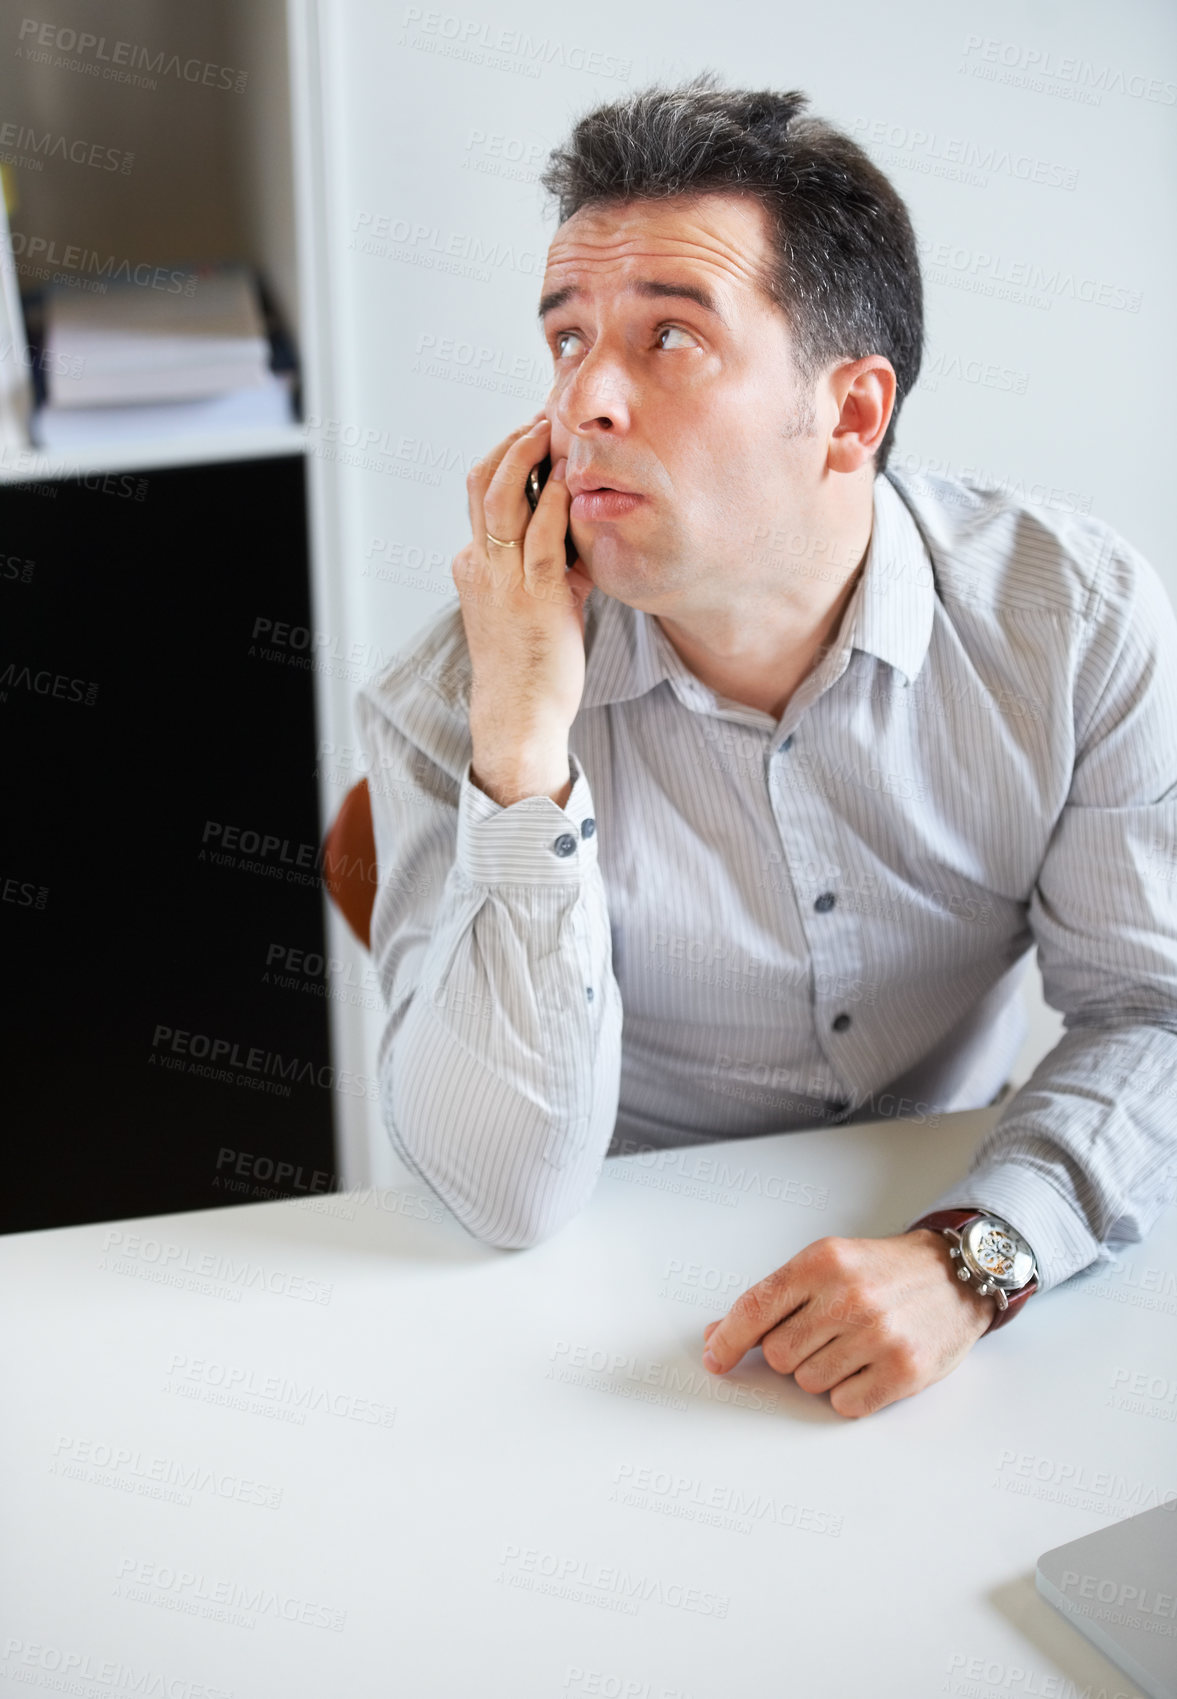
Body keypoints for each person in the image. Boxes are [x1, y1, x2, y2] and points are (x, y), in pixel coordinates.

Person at [355, 77, 1177, 1418]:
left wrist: (977, 1254)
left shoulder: (1073, 625)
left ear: (849, 414)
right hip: (598, 1323)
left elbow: (1155, 1010)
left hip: (955, 1248)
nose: (584, 403)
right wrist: (519, 756)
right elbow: (496, 1193)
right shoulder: (459, 691)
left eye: (667, 340)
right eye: (566, 340)